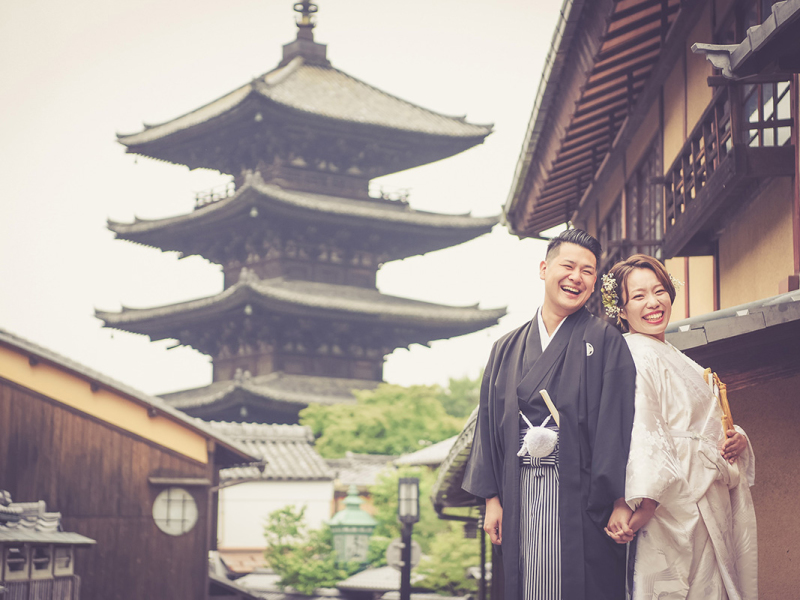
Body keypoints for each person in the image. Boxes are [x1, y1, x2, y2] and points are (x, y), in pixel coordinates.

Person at [462, 229, 637, 600]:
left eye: (587, 271)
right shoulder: (505, 348)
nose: (576, 277)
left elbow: (618, 427)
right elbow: (488, 428)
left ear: (594, 282)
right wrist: (491, 500)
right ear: (544, 269)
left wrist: (618, 500)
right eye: (568, 266)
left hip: (582, 497)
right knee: (526, 583)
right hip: (517, 492)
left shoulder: (606, 341)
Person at [603, 254, 757, 600]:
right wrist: (644, 502)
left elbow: (704, 426)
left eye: (659, 291)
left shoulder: (673, 355)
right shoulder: (634, 353)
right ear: (621, 310)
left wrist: (736, 438)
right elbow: (643, 429)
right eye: (639, 296)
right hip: (673, 499)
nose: (653, 302)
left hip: (705, 493)